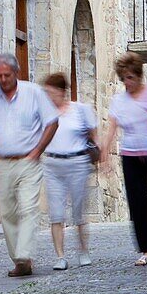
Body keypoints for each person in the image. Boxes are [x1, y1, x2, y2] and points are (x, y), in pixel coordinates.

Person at [0, 53, 59, 277]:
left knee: (28, 207)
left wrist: (37, 151)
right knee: (8, 213)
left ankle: (23, 253)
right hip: (2, 163)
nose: (3, 79)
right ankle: (21, 262)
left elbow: (52, 121)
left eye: (7, 75)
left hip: (28, 161)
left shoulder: (33, 93)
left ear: (16, 73)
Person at [102, 52, 147, 267]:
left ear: (139, 76)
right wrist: (105, 154)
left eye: (130, 77)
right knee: (137, 204)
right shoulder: (118, 101)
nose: (127, 83)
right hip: (131, 155)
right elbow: (111, 128)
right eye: (123, 79)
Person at [40, 73, 98, 271]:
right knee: (56, 213)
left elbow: (93, 135)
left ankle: (83, 251)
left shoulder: (80, 110)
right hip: (53, 164)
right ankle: (60, 256)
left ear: (62, 92)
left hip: (77, 163)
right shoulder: (44, 114)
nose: (48, 97)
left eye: (51, 92)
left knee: (78, 211)